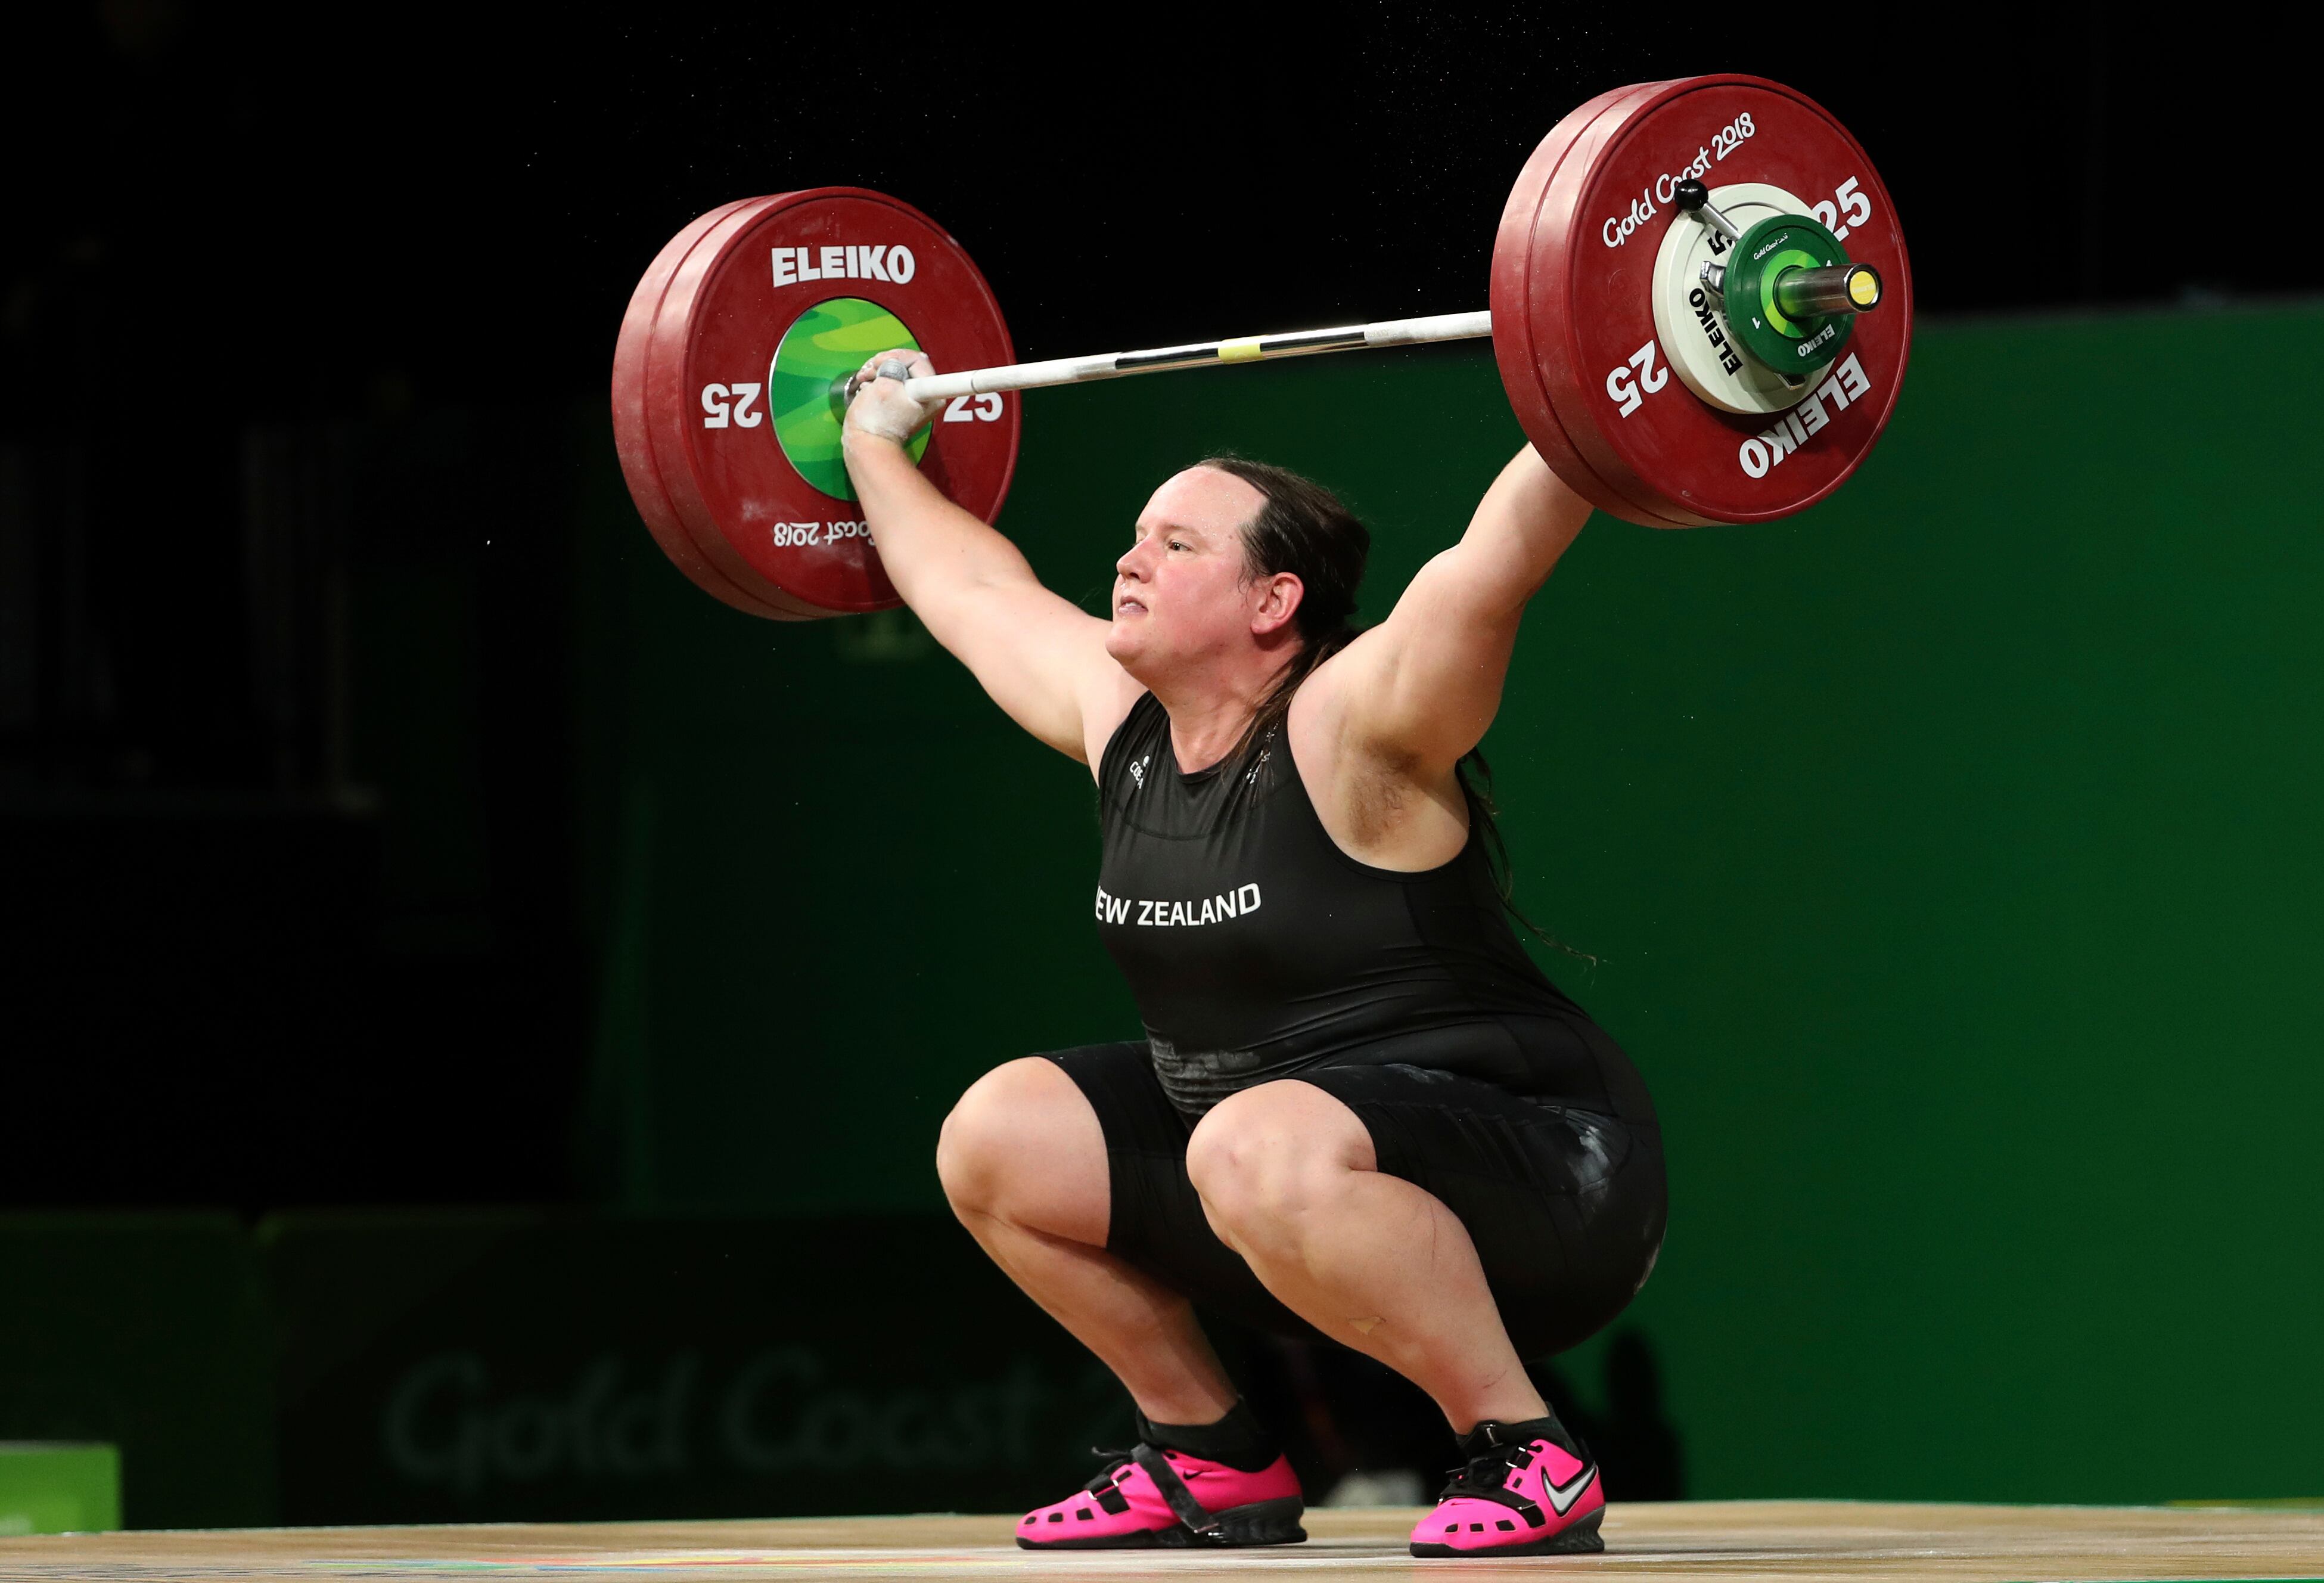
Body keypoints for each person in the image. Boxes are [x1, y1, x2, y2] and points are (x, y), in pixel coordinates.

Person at [842, 353, 1667, 1558]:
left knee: (1245, 1135)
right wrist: (869, 437)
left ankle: (1524, 1447)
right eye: (1136, 535)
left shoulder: (1358, 722)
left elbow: (1488, 572)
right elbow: (968, 585)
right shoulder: (1118, 722)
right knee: (997, 1133)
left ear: (1274, 600)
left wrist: (1614, 376)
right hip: (1280, 1180)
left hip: (1547, 1170)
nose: (1129, 559)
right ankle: (1209, 1451)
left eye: (1177, 546)